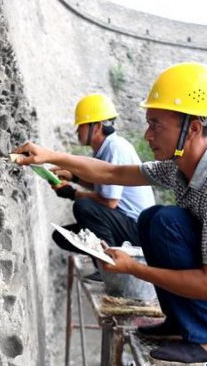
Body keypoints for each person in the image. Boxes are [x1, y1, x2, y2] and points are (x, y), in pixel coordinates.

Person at [14, 63, 207, 365]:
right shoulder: (180, 167)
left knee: (166, 222)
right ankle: (181, 324)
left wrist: (134, 268)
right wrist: (51, 155)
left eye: (156, 124)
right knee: (152, 219)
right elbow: (113, 173)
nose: (147, 135)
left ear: (193, 128)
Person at [50, 94, 155, 281]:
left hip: (137, 230)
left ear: (96, 126)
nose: (77, 132)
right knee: (61, 236)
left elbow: (110, 202)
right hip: (123, 224)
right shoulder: (108, 148)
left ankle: (109, 266)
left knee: (83, 207)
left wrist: (73, 194)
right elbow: (103, 187)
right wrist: (73, 177)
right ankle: (103, 261)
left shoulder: (115, 149)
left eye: (81, 125)